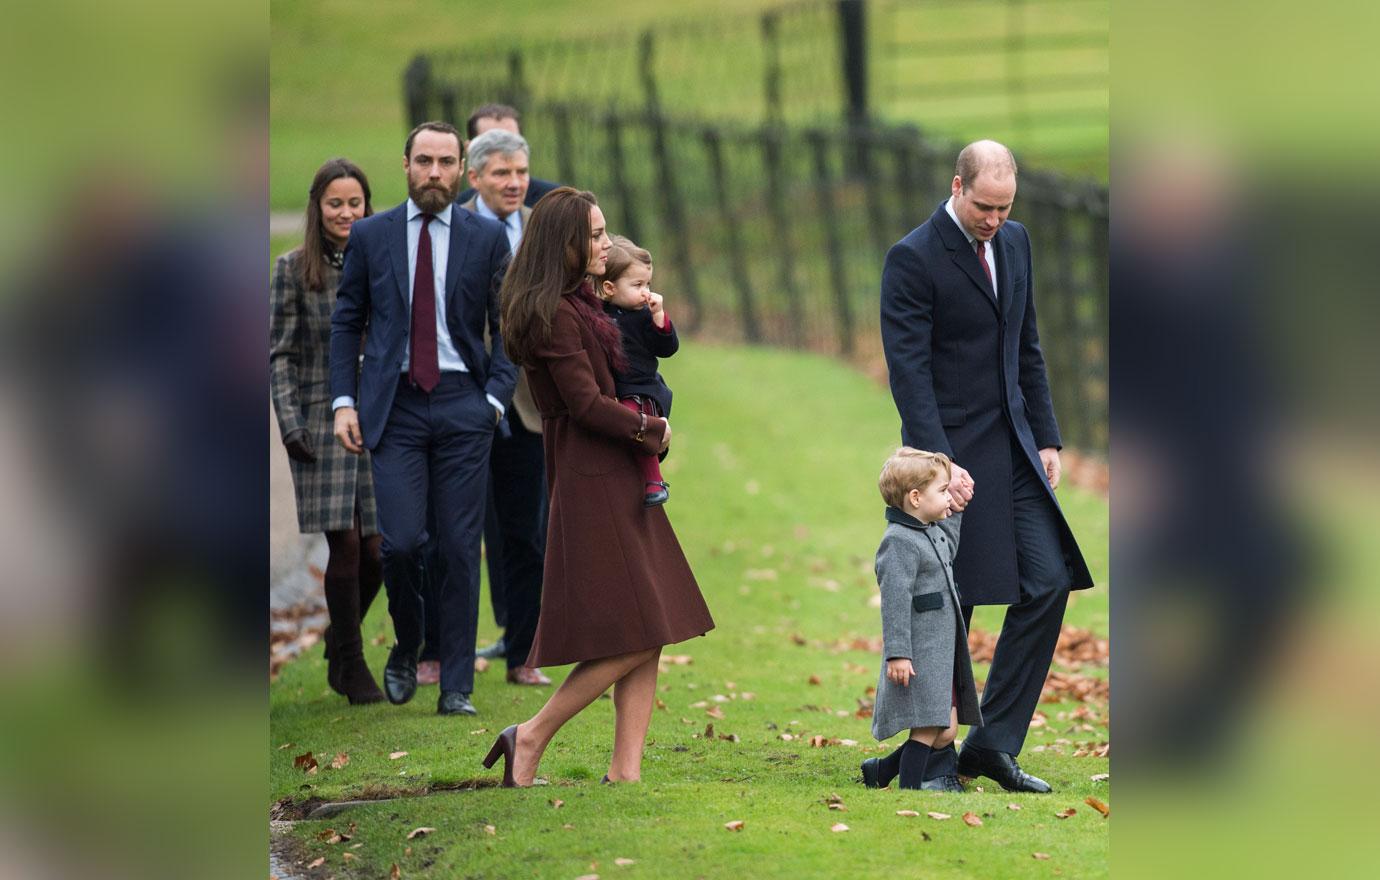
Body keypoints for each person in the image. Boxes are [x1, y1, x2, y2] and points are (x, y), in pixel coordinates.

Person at [879, 140, 1093, 793]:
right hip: (951, 452)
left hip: (1016, 446)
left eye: (1004, 208)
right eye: (984, 206)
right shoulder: (913, 259)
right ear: (957, 186)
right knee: (953, 603)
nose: (993, 220)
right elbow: (909, 374)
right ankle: (930, 757)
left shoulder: (1017, 242)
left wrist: (1048, 437)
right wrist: (935, 465)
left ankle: (991, 745)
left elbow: (1026, 344)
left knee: (1049, 580)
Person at [483, 188, 714, 787]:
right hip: (593, 472)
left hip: (620, 466)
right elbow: (585, 404)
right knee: (642, 626)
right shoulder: (554, 314)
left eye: (605, 232)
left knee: (652, 624)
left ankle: (625, 773)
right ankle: (530, 735)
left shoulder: (580, 300)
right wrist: (649, 427)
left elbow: (637, 357)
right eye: (594, 235)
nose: (606, 244)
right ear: (563, 243)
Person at [329, 121, 517, 717]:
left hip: (465, 402)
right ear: (404, 165)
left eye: (445, 162)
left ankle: (457, 685)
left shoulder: (486, 238)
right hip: (396, 407)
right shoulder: (371, 236)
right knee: (403, 543)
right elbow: (346, 321)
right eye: (423, 161)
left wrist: (494, 398)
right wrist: (343, 402)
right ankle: (408, 644)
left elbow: (508, 325)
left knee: (460, 548)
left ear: (462, 169)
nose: (434, 172)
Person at [270, 157, 386, 705]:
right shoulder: (292, 270)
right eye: (335, 203)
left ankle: (338, 640)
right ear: (318, 208)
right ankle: (353, 664)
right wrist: (290, 424)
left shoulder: (382, 262)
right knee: (343, 542)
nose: (345, 212)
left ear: (367, 206)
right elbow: (280, 355)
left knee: (380, 550)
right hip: (318, 420)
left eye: (354, 202)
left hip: (378, 417)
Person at [459, 127, 549, 687]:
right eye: (501, 173)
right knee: (454, 532)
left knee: (527, 534)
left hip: (530, 403)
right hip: (462, 398)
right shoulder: (453, 229)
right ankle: (439, 652)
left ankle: (523, 653)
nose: (514, 183)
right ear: (475, 178)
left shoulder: (542, 226)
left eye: (520, 172)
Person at [861, 448, 982, 792]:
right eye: (942, 491)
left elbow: (950, 546)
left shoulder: (929, 530)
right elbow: (895, 604)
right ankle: (909, 789)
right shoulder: (898, 543)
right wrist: (898, 653)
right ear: (915, 498)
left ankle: (881, 772)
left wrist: (955, 509)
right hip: (920, 653)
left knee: (945, 731)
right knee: (930, 727)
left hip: (940, 651)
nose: (948, 496)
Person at [597, 235, 677, 506]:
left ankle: (654, 480)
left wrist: (659, 319)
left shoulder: (645, 316)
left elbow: (666, 348)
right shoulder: (599, 314)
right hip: (616, 385)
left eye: (648, 284)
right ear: (609, 288)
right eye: (638, 285)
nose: (647, 292)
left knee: (636, 423)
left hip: (641, 387)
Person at [455, 103, 559, 208]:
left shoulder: (555, 201)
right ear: (469, 148)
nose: (505, 149)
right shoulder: (455, 211)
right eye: (491, 142)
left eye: (512, 141)